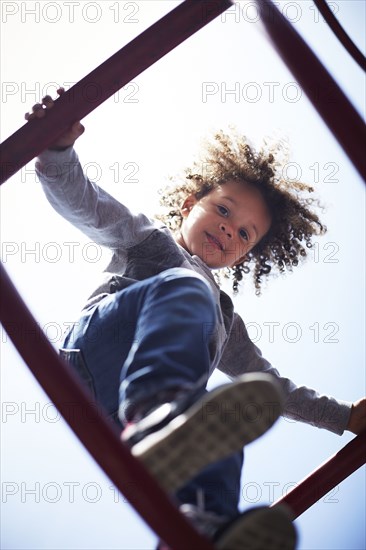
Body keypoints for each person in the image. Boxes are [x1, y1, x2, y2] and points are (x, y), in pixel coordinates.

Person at [26, 90, 365, 550]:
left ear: (246, 254)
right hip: (99, 354)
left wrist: (343, 416)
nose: (229, 228)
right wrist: (57, 149)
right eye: (223, 210)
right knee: (185, 290)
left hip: (119, 417)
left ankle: (199, 526)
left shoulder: (224, 316)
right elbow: (86, 205)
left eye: (244, 233)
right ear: (190, 204)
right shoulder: (152, 243)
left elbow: (271, 387)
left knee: (226, 426)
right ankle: (156, 412)